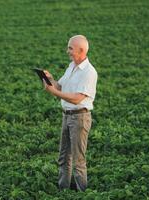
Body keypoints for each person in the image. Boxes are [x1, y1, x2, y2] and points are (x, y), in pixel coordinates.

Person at [43, 35, 98, 191]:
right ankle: (63, 191)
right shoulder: (71, 66)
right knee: (63, 157)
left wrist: (54, 92)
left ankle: (83, 192)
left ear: (81, 51)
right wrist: (49, 80)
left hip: (80, 117)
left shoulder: (89, 72)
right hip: (67, 116)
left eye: (70, 48)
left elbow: (77, 99)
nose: (67, 51)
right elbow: (60, 87)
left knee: (78, 161)